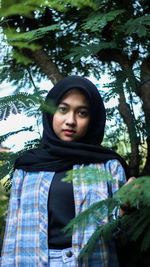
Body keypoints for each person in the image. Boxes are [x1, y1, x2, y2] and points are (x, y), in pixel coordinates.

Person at [0, 76, 132, 267]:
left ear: (93, 119)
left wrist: (125, 208)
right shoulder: (26, 167)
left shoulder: (109, 166)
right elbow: (12, 235)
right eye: (63, 109)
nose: (70, 120)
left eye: (82, 113)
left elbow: (122, 237)